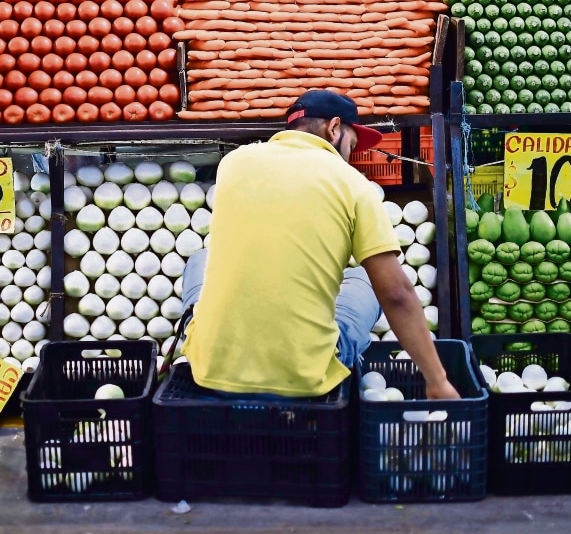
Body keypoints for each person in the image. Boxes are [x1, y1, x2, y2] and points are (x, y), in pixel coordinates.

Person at [179, 90, 459, 400]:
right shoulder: (351, 182)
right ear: (334, 129)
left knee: (200, 258)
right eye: (352, 145)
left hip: (211, 370)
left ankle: (200, 337)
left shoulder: (233, 164)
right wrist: (437, 381)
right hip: (303, 377)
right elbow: (396, 295)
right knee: (365, 277)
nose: (351, 156)